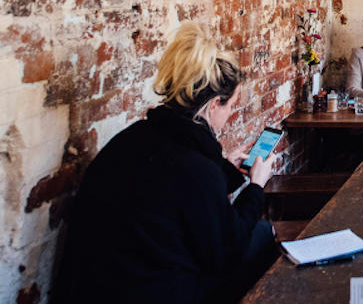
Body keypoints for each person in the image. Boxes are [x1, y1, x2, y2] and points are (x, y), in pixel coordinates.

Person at [55, 22, 277, 304]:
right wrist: (256, 187)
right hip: (152, 290)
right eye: (231, 106)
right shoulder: (197, 170)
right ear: (212, 106)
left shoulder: (130, 140)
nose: (231, 115)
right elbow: (224, 253)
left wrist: (223, 168)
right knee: (261, 234)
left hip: (89, 288)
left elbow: (176, 193)